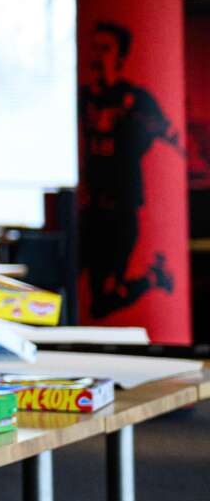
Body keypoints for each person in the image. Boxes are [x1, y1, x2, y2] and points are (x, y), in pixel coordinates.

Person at [80, 20, 181, 316]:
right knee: (78, 297)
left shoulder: (138, 100)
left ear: (120, 56)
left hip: (121, 211)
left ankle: (152, 278)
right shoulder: (85, 98)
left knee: (102, 304)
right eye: (94, 48)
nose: (97, 56)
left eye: (106, 49)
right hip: (89, 212)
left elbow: (175, 141)